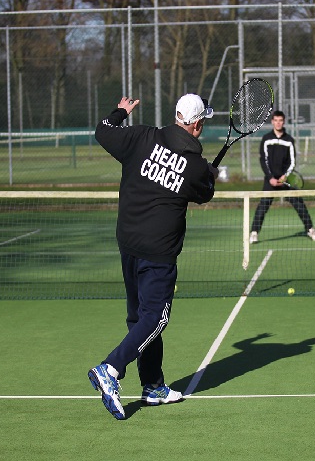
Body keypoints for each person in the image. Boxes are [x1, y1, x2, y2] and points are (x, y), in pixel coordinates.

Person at [88, 93, 219, 420]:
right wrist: (209, 176)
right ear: (198, 125)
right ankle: (110, 369)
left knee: (139, 319)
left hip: (128, 243)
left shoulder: (141, 135)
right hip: (157, 252)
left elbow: (103, 131)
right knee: (155, 317)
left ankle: (153, 386)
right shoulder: (195, 166)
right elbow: (205, 194)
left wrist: (119, 112)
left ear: (177, 117)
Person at [250, 110, 315, 243]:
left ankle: (310, 230)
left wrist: (285, 177)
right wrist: (270, 177)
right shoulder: (266, 139)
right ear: (272, 122)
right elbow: (263, 160)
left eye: (280, 120)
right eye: (276, 120)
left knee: (299, 205)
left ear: (283, 122)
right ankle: (254, 233)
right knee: (263, 206)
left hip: (285, 180)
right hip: (270, 180)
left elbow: (292, 161)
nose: (278, 123)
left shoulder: (289, 140)